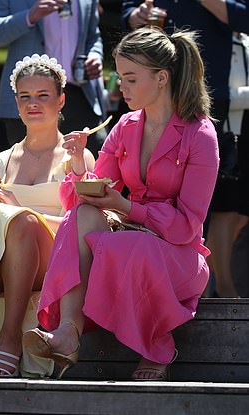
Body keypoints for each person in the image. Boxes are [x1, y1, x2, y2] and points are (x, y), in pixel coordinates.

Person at [25, 27, 218, 381]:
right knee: (80, 217)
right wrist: (80, 163)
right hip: (131, 236)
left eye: (130, 78)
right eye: (119, 77)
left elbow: (186, 226)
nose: (120, 87)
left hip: (179, 254)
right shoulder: (125, 126)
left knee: (133, 244)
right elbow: (86, 199)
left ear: (162, 78)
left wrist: (127, 209)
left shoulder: (200, 134)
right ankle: (69, 330)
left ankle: (158, 347)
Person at [0, 54, 96, 378]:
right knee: (3, 216)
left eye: (43, 96)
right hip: (1, 262)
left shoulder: (78, 156)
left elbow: (85, 228)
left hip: (54, 260)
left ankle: (10, 339)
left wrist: (21, 210)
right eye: (25, 97)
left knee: (23, 221)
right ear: (15, 102)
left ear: (61, 100)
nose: (33, 104)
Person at [122, 0, 249, 298]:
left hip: (214, 96)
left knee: (224, 204)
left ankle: (207, 283)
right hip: (157, 99)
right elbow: (127, 12)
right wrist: (137, 16)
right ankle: (194, 283)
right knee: (173, 195)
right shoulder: (129, 123)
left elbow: (244, 19)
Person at [0, 0, 106, 153]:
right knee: (31, 171)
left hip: (80, 96)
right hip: (31, 99)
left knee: (89, 167)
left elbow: (93, 37)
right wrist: (30, 16)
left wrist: (95, 55)